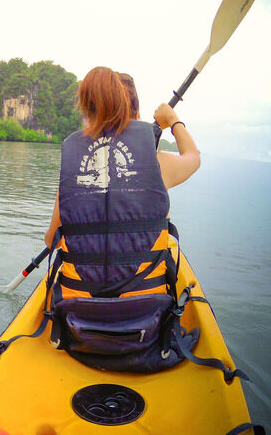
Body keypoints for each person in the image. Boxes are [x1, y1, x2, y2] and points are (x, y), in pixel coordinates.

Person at [41, 66, 201, 372]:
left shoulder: (74, 163)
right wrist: (173, 121)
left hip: (78, 317)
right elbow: (193, 158)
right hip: (146, 317)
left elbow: (52, 240)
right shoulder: (156, 161)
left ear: (87, 111)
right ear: (134, 112)